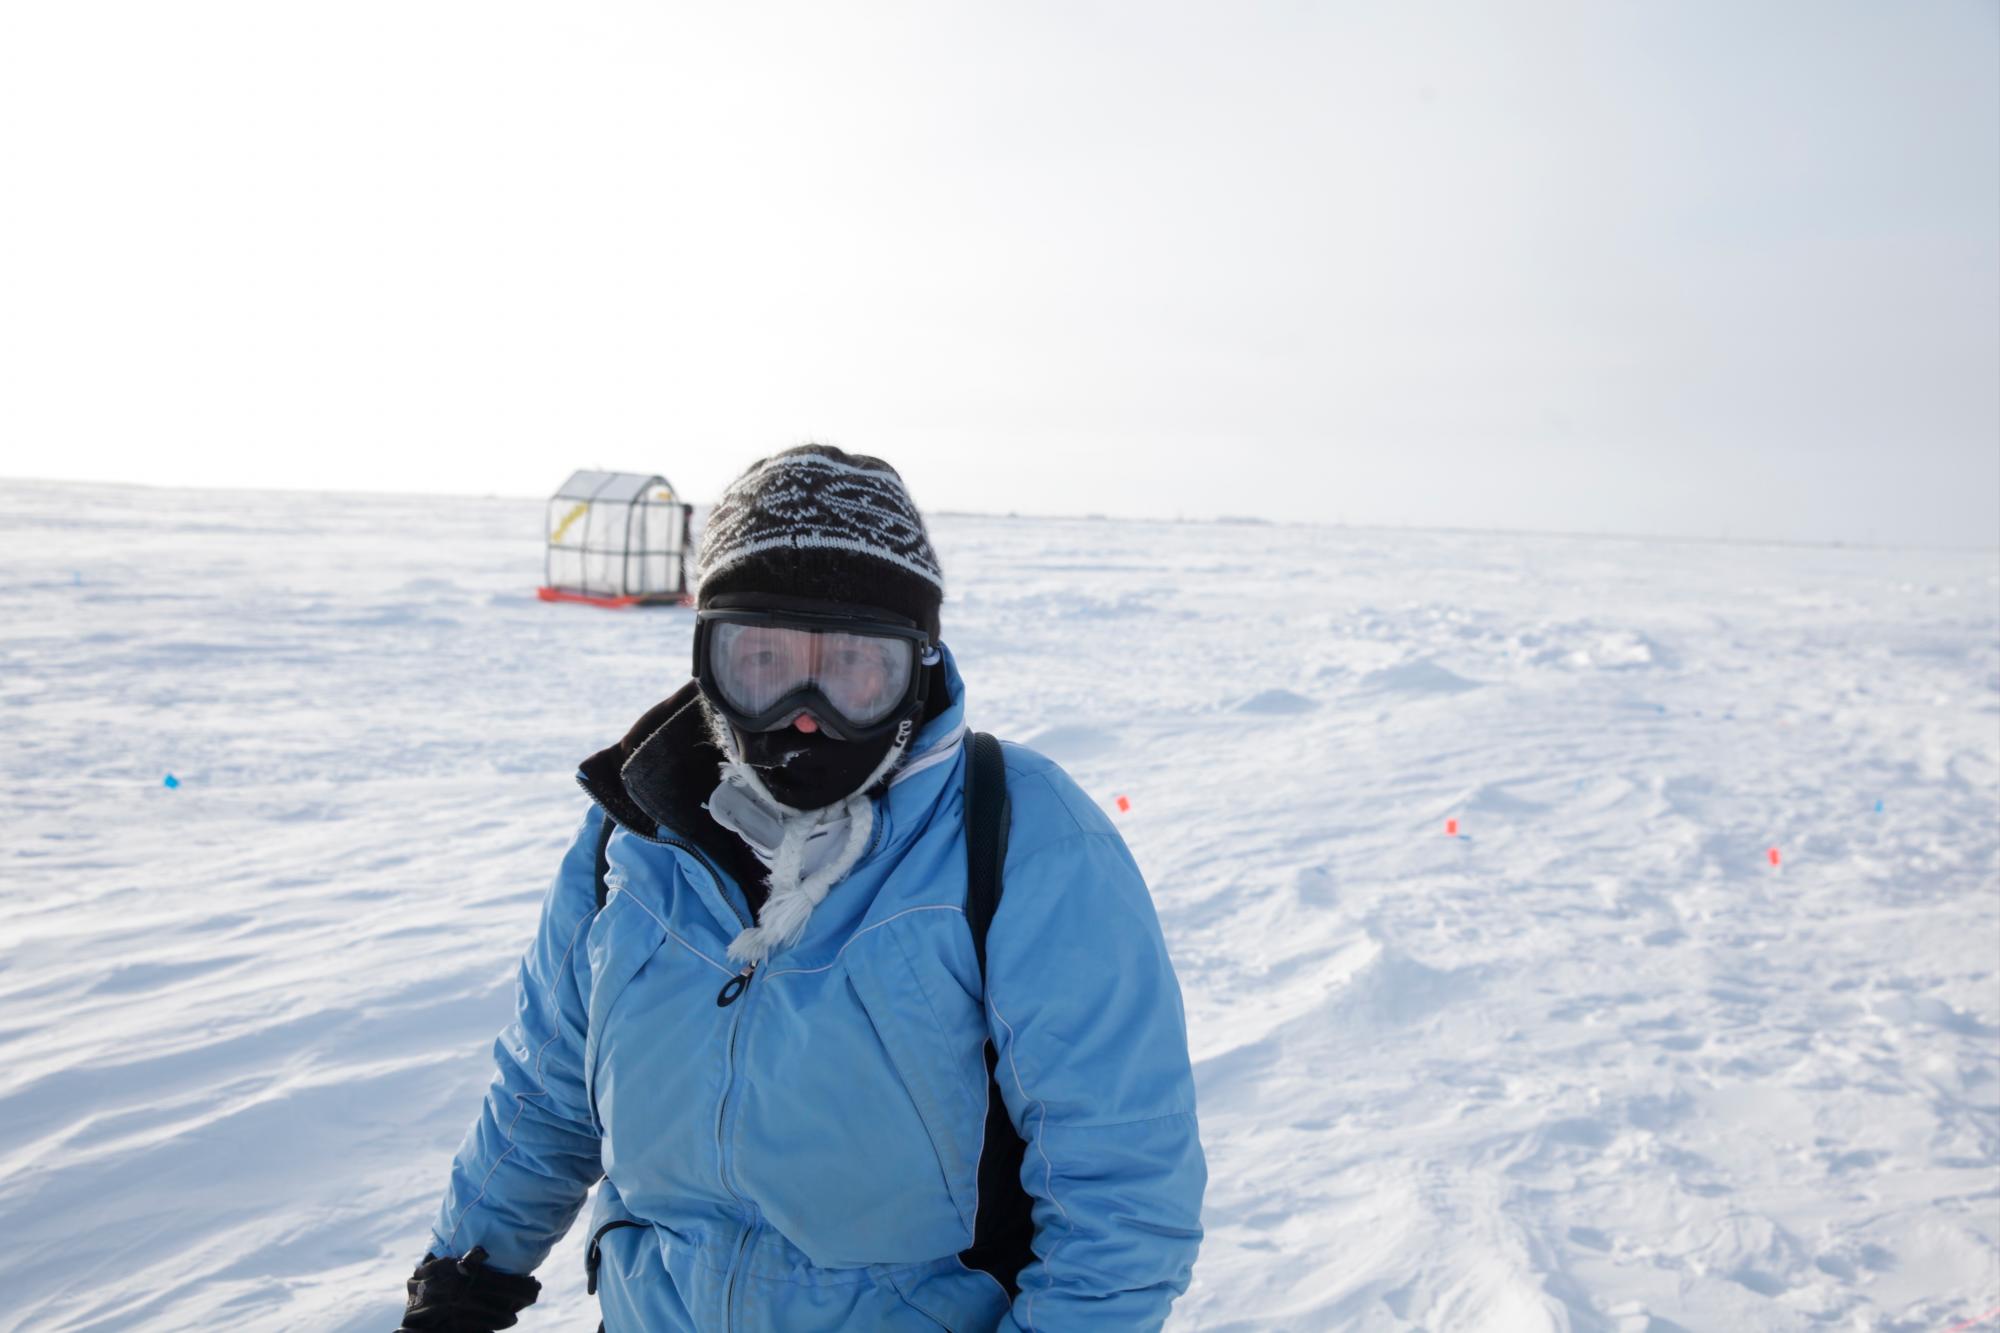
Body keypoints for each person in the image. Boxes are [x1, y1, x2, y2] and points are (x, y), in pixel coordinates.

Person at [399, 447, 1206, 1331]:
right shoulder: (633, 837)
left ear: (917, 669)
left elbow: (1120, 1195)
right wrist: (463, 1279)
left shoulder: (1023, 837)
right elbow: (546, 1092)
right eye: (764, 661)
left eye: (856, 666)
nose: (807, 712)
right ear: (709, 663)